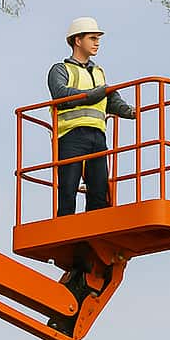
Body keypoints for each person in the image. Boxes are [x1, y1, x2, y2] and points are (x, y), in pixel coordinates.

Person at [47, 16, 136, 216]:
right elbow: (60, 95)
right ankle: (65, 226)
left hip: (97, 135)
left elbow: (111, 97)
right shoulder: (60, 70)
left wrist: (127, 111)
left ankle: (97, 224)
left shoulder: (99, 72)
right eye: (92, 38)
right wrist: (90, 95)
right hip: (71, 136)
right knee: (68, 187)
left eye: (98, 38)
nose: (97, 42)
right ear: (78, 40)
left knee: (99, 187)